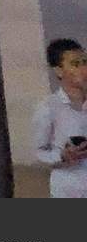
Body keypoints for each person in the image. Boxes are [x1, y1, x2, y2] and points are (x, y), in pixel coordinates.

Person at [32, 37, 87, 197]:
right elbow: (38, 153)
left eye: (85, 62)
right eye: (75, 64)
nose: (84, 68)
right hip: (69, 190)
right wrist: (62, 156)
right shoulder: (48, 107)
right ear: (59, 71)